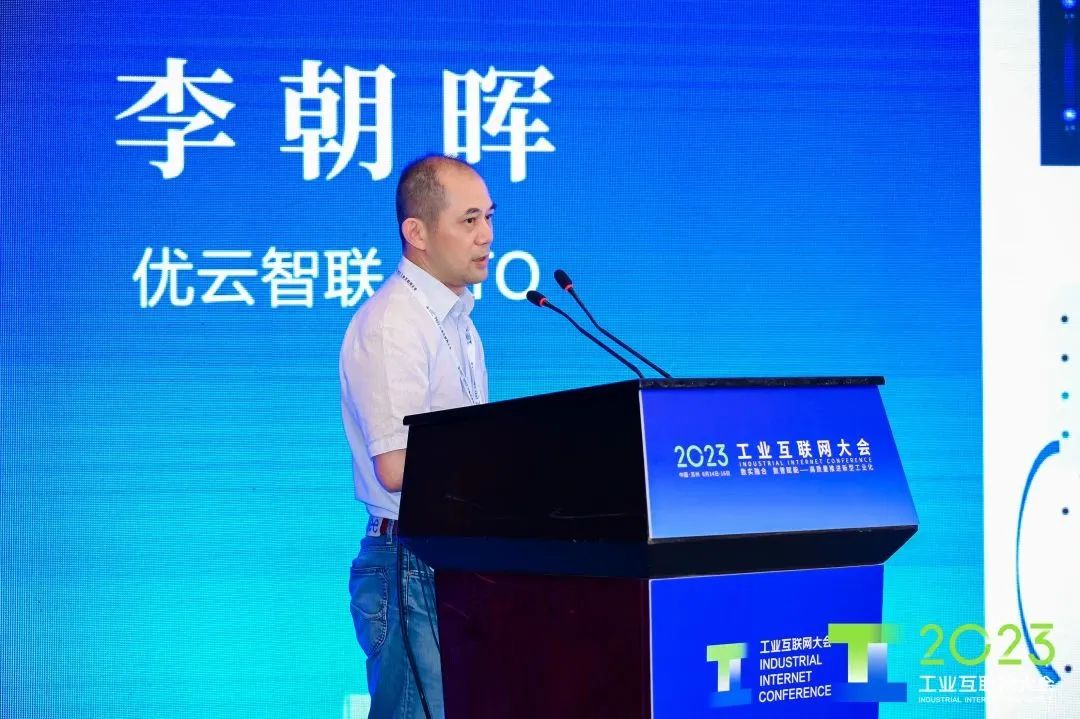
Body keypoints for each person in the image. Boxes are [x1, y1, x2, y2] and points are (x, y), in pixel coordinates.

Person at [340, 154, 493, 719]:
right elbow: (395, 466)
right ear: (417, 232)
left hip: (451, 557)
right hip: (409, 562)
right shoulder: (394, 324)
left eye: (489, 217)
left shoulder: (459, 322)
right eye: (469, 220)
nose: (486, 235)